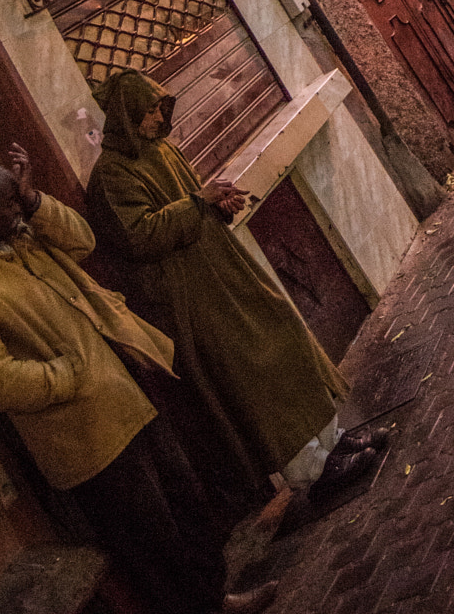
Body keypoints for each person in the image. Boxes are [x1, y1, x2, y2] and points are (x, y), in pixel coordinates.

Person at [0, 150, 275, 614]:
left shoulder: (23, 235)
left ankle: (216, 601)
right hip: (86, 439)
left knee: (191, 507)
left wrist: (34, 200)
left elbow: (83, 240)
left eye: (20, 203)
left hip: (124, 397)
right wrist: (70, 376)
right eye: (10, 206)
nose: (19, 213)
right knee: (156, 545)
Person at [84, 75, 376, 513]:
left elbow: (195, 200)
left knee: (285, 336)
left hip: (223, 268)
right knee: (253, 374)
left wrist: (217, 204)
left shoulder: (162, 149)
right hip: (191, 293)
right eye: (147, 112)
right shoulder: (110, 176)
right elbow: (138, 236)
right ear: (126, 116)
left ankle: (331, 438)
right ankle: (311, 470)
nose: (156, 118)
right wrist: (198, 203)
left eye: (160, 108)